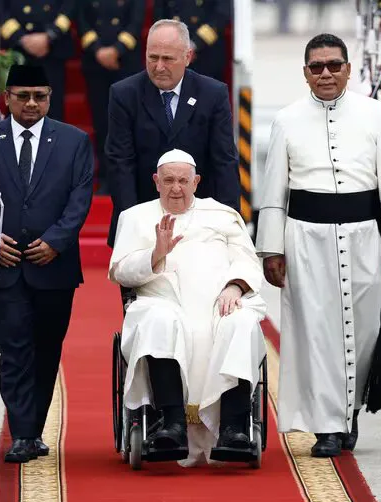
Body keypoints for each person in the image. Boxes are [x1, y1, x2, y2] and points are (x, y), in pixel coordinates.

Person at [255, 33, 381, 459]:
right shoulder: (287, 118)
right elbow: (274, 190)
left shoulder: (374, 114)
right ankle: (327, 424)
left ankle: (351, 408)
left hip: (364, 234)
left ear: (348, 67)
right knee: (316, 331)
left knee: (365, 330)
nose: (326, 73)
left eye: (334, 65)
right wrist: (272, 248)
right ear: (305, 73)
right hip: (306, 237)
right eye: (316, 67)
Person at [0, 64, 94, 463]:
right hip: (5, 267)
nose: (32, 104)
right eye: (23, 96)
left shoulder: (73, 141)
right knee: (14, 349)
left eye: (40, 96)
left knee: (47, 348)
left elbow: (80, 196)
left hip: (54, 267)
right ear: (8, 97)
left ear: (50, 97)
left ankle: (33, 428)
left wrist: (56, 241)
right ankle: (21, 433)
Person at [109, 149, 266, 466]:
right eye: (168, 180)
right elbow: (120, 271)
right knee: (159, 321)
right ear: (156, 181)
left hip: (219, 303)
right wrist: (155, 254)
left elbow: (247, 261)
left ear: (196, 181)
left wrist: (235, 286)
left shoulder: (221, 215)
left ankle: (234, 428)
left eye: (183, 180)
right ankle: (172, 424)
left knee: (242, 323)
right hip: (161, 301)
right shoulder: (135, 216)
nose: (176, 188)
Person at [105, 18, 241, 247]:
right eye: (152, 58)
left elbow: (224, 162)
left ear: (187, 57)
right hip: (142, 219)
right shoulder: (124, 94)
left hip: (201, 225)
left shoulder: (213, 94)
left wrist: (229, 224)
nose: (159, 67)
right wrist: (132, 223)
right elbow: (120, 163)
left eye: (167, 59)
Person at [76, 0, 145, 192]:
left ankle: (130, 175)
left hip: (126, 62)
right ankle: (106, 176)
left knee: (129, 123)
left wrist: (117, 50)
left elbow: (136, 21)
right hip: (95, 63)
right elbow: (82, 20)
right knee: (102, 123)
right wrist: (98, 50)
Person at [0, 0, 76, 121]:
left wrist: (52, 34)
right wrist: (20, 38)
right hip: (18, 52)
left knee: (51, 108)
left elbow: (71, 6)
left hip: (53, 50)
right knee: (18, 106)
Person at [153, 0, 231, 82]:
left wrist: (194, 44)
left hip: (207, 55)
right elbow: (160, 14)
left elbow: (221, 16)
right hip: (174, 53)